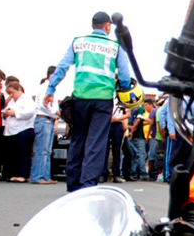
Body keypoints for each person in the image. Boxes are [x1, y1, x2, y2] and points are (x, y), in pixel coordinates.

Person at [43, 11, 132, 192]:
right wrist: (124, 89)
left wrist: (50, 89)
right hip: (102, 99)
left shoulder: (79, 42)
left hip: (80, 98)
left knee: (78, 139)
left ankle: (73, 184)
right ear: (107, 25)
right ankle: (88, 185)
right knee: (96, 143)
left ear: (93, 25)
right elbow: (124, 75)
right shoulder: (115, 46)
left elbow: (62, 67)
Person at [30, 66, 60, 185]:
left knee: (47, 150)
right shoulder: (45, 88)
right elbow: (44, 105)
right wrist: (56, 113)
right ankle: (37, 176)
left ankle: (45, 176)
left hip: (50, 120)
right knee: (42, 150)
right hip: (43, 119)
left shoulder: (52, 89)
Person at [2, 82, 35, 183]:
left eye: (12, 93)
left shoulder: (27, 100)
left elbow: (30, 112)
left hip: (24, 129)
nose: (11, 95)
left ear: (19, 90)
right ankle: (15, 173)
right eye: (9, 93)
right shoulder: (12, 101)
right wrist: (6, 113)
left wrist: (15, 113)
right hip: (12, 131)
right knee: (14, 154)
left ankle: (24, 174)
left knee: (23, 153)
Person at [106, 102, 131, 183]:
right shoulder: (106, 96)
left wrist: (117, 119)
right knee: (104, 150)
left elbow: (128, 114)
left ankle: (116, 174)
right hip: (106, 123)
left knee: (116, 151)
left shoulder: (122, 99)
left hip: (117, 124)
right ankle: (103, 174)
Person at [128, 104, 148, 180]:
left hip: (130, 135)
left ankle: (133, 171)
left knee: (134, 154)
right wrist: (132, 131)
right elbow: (138, 120)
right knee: (141, 154)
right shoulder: (140, 109)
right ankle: (142, 173)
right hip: (138, 135)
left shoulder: (130, 109)